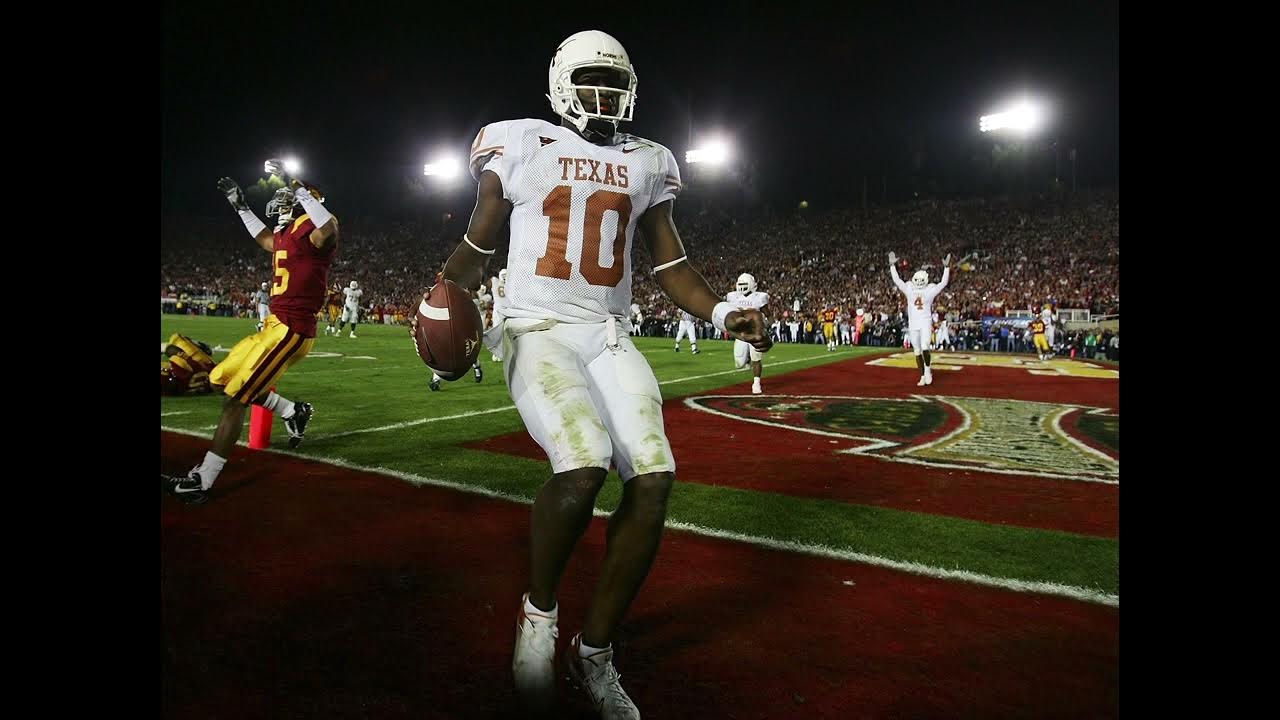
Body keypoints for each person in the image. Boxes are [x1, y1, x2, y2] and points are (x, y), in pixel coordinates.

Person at [432, 29, 770, 718]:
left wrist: (722, 309)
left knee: (653, 478)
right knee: (582, 465)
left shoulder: (649, 162)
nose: (602, 95)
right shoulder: (522, 142)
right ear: (560, 84)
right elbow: (479, 241)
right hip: (535, 326)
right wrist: (443, 292)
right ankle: (539, 616)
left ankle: (596, 653)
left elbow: (671, 265)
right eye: (589, 81)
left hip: (607, 332)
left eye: (613, 84)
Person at [163, 164, 338, 504]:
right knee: (217, 379)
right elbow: (265, 239)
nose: (281, 204)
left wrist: (299, 188)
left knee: (235, 400)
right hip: (273, 325)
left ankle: (203, 481)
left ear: (305, 203)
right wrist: (241, 206)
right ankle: (291, 410)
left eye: (288, 199)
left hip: (291, 330)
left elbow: (329, 227)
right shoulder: (288, 234)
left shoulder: (314, 229)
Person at [889, 251, 951, 386]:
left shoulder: (918, 289)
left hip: (924, 321)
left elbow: (898, 281)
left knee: (925, 347)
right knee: (917, 350)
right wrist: (892, 265)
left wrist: (947, 268)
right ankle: (923, 374)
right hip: (913, 323)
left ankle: (928, 370)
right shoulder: (916, 289)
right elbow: (942, 283)